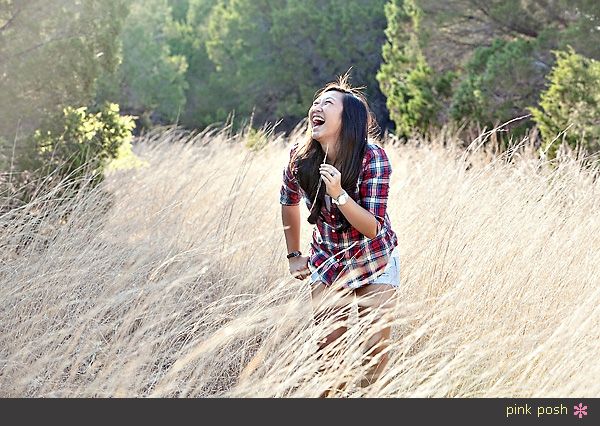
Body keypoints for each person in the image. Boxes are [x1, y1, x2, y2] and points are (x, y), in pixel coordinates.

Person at [279, 74, 400, 394]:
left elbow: (372, 227)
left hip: (374, 258)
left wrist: (339, 194)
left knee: (375, 353)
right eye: (316, 103)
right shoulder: (300, 157)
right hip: (329, 258)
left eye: (327, 103)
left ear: (348, 120)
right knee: (329, 352)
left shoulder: (372, 157)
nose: (316, 107)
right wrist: (294, 255)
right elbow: (288, 203)